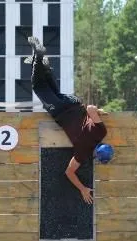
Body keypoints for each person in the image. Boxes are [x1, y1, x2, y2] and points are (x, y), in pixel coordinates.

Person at [28, 36, 113, 204]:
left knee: (51, 88)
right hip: (60, 112)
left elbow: (90, 109)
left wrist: (99, 111)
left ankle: (43, 65)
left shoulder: (101, 131)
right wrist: (83, 189)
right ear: (96, 155)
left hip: (72, 102)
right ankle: (38, 56)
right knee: (38, 87)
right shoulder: (83, 153)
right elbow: (69, 172)